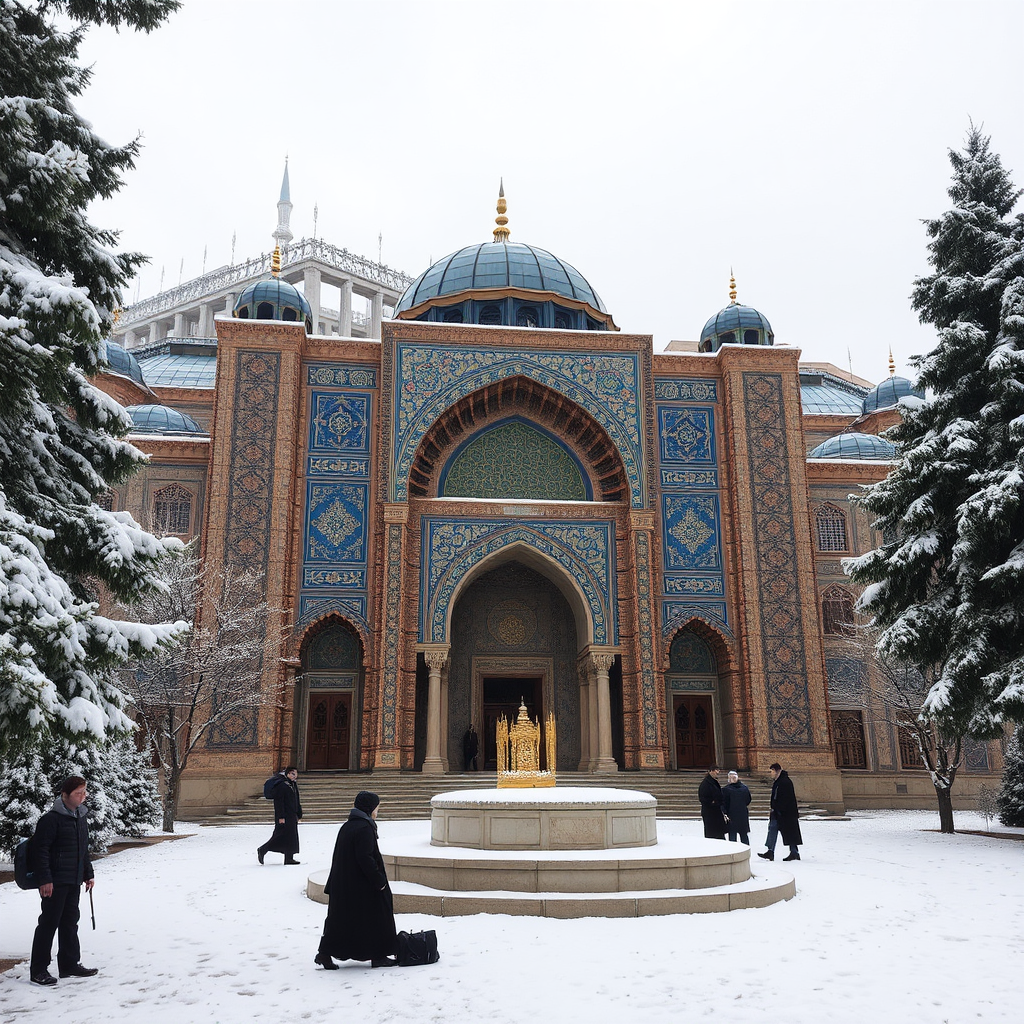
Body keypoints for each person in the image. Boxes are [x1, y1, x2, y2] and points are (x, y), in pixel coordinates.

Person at [315, 791, 399, 970]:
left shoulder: (349, 825)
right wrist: (379, 881)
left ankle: (325, 953)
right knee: (378, 914)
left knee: (341, 920)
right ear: (369, 808)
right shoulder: (364, 827)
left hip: (346, 883)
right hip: (361, 884)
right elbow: (365, 858)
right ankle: (379, 955)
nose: (378, 810)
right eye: (377, 807)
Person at [29, 776, 98, 986]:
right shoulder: (51, 819)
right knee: (48, 924)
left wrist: (88, 873)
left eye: (84, 792)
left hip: (73, 879)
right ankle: (38, 970)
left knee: (70, 923)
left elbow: (82, 849)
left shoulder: (80, 817)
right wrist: (45, 879)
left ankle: (69, 964)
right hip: (54, 882)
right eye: (78, 793)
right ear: (65, 795)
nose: (83, 796)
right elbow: (39, 851)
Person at [757, 762, 803, 862]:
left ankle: (793, 852)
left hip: (785, 813)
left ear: (776, 771)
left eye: (771, 771)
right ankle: (771, 851)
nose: (771, 774)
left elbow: (786, 798)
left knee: (789, 832)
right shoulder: (779, 781)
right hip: (779, 812)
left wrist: (778, 809)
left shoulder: (784, 782)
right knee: (773, 830)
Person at [258, 766, 303, 865]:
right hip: (284, 815)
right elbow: (279, 803)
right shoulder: (282, 786)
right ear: (288, 773)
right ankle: (263, 849)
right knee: (279, 835)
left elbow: (296, 800)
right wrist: (281, 817)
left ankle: (289, 858)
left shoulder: (292, 784)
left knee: (291, 836)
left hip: (292, 814)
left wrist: (299, 812)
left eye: (296, 774)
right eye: (293, 774)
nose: (295, 776)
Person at [721, 770, 751, 844]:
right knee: (743, 835)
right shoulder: (744, 788)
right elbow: (748, 800)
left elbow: (724, 802)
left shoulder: (726, 789)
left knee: (732, 835)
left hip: (732, 815)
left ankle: (734, 851)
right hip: (742, 814)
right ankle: (746, 850)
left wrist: (725, 812)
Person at [697, 765, 727, 840]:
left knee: (719, 834)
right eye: (716, 770)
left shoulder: (714, 782)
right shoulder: (706, 783)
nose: (718, 772)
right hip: (710, 813)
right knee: (712, 834)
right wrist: (713, 802)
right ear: (711, 771)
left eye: (718, 770)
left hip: (716, 812)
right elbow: (703, 798)